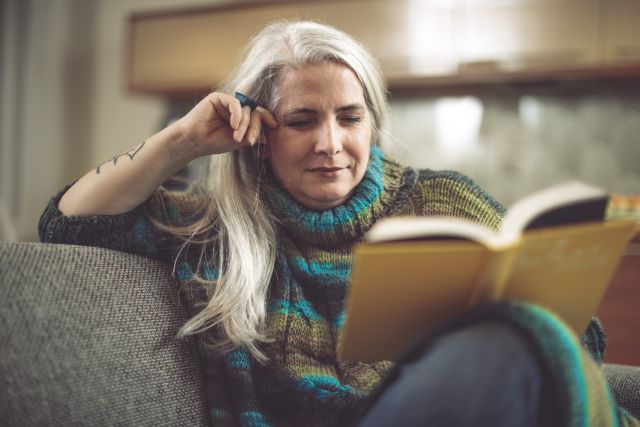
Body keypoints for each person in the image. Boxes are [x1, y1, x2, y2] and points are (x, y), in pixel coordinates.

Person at [39, 20, 636, 427]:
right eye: (302, 120)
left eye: (349, 117)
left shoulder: (443, 201)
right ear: (260, 134)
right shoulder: (217, 231)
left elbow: (579, 338)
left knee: (516, 341)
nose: (331, 143)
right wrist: (179, 142)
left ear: (371, 123)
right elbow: (67, 224)